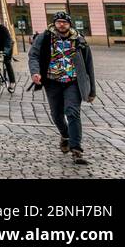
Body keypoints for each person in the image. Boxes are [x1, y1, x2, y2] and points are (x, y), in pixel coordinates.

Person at [28, 10, 96, 166]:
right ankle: (65, 135)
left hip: (73, 82)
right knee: (57, 115)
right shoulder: (44, 37)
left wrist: (92, 90)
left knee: (72, 112)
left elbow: (89, 65)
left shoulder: (79, 40)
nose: (62, 24)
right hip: (52, 81)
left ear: (69, 24)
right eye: (59, 22)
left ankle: (76, 150)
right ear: (54, 23)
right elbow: (34, 55)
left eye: (65, 22)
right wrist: (36, 72)